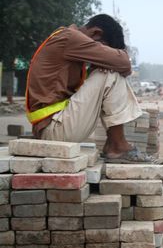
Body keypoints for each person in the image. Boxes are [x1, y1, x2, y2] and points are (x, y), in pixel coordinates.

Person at [26, 14, 154, 163]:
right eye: (102, 47)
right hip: (53, 131)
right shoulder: (70, 38)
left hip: (54, 127)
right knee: (110, 73)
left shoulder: (68, 40)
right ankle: (117, 146)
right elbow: (123, 62)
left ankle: (113, 144)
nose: (98, 51)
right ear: (96, 33)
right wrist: (113, 60)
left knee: (105, 69)